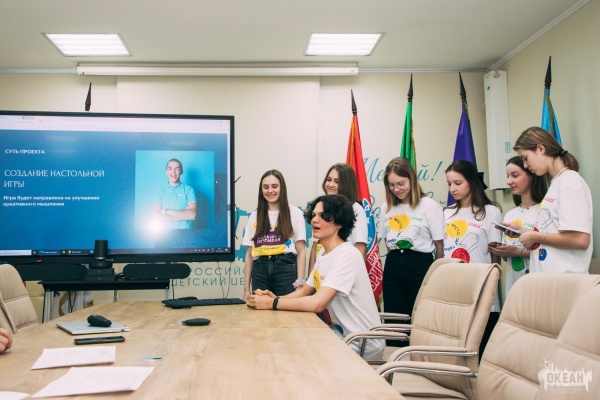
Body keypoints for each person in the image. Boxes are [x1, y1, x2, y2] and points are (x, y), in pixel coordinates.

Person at [248, 195, 384, 360]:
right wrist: (274, 298)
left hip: (361, 342)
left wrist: (272, 304)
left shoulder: (347, 255)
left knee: (295, 354)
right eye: (313, 215)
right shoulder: (324, 253)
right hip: (339, 335)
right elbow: (305, 291)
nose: (314, 220)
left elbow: (317, 303)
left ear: (339, 223)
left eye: (323, 216)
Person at [507, 126, 593, 273]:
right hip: (549, 278)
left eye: (525, 158)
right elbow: (553, 230)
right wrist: (524, 231)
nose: (526, 165)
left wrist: (535, 236)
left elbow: (580, 240)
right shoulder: (556, 183)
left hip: (565, 279)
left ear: (541, 149)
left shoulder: (570, 182)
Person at [379, 157, 444, 340]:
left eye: (401, 183)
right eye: (391, 185)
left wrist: (435, 275)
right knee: (394, 320)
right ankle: (395, 354)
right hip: (393, 267)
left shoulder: (429, 206)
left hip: (420, 266)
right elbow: (387, 241)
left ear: (411, 179)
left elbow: (439, 247)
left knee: (420, 318)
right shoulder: (386, 207)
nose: (396, 189)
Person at [444, 160, 502, 358]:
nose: (452, 189)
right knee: (456, 339)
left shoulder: (491, 211)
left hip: (481, 284)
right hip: (453, 285)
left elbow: (495, 254)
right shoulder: (447, 213)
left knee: (481, 342)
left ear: (471, 181)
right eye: (449, 184)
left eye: (458, 183)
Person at [243, 170, 306, 300]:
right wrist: (246, 290)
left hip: (285, 268)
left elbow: (301, 251)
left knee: (285, 310)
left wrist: (300, 284)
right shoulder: (254, 216)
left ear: (282, 188)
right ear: (261, 190)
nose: (270, 191)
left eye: (274, 186)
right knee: (260, 310)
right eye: (266, 187)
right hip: (259, 269)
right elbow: (249, 254)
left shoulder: (295, 213)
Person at [488, 156, 547, 296]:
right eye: (508, 176)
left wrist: (517, 252)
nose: (509, 181)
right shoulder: (510, 214)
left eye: (515, 175)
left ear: (532, 175)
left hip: (539, 287)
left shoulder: (545, 211)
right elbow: (506, 258)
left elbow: (550, 253)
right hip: (514, 287)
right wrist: (502, 250)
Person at [308, 163, 368, 275]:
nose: (330, 185)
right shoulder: (321, 207)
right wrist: (310, 278)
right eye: (329, 180)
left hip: (344, 271)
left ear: (346, 185)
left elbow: (360, 248)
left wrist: (353, 277)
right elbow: (315, 246)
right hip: (322, 273)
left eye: (337, 181)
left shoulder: (356, 209)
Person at [152, 158, 197, 229]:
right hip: (165, 233)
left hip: (186, 233)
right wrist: (184, 215)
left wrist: (166, 211)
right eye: (170, 168)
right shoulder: (160, 190)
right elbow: (156, 217)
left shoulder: (189, 189)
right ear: (166, 171)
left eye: (177, 169)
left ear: (181, 171)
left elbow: (192, 215)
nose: (173, 172)